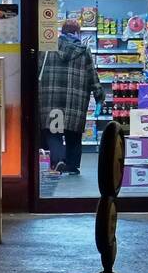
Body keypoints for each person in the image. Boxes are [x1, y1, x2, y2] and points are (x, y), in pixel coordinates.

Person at [38, 20, 104, 175]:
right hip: (75, 100)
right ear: (77, 33)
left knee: (54, 133)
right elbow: (92, 76)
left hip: (51, 97)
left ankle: (58, 160)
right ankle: (72, 166)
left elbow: (37, 69)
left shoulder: (47, 49)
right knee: (73, 133)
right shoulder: (84, 50)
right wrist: (99, 97)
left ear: (62, 31)